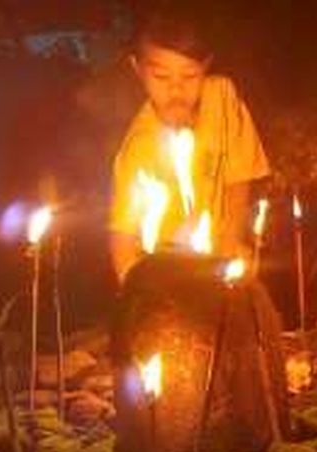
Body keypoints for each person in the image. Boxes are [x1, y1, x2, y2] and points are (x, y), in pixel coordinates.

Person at [109, 6, 270, 282]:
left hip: (221, 268)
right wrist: (137, 291)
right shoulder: (137, 147)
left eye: (189, 76)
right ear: (138, 69)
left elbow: (238, 180)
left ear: (205, 66)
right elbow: (122, 237)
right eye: (161, 77)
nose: (176, 89)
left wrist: (232, 243)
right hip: (170, 282)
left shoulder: (221, 97)